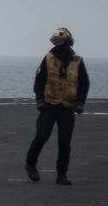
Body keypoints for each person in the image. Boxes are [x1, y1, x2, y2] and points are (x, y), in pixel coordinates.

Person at [25, 28, 90, 185]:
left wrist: (80, 102)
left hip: (67, 107)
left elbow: (84, 82)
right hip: (49, 105)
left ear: (67, 42)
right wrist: (40, 100)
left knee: (64, 142)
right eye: (55, 41)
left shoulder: (77, 60)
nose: (56, 44)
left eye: (59, 41)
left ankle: (62, 175)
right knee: (41, 137)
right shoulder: (48, 58)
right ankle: (31, 164)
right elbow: (39, 80)